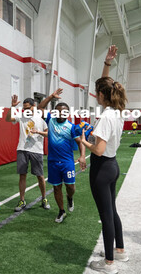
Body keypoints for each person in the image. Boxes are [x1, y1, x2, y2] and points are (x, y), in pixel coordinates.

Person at [80, 45, 128, 274]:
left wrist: (84, 141)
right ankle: (119, 250)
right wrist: (107, 64)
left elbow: (98, 150)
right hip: (113, 165)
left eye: (97, 93)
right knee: (112, 212)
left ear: (101, 96)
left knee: (106, 216)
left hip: (102, 167)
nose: (95, 94)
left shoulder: (107, 116)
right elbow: (105, 85)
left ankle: (109, 263)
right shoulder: (116, 111)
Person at [37, 89, 86, 223]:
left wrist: (82, 155)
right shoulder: (50, 120)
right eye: (58, 111)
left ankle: (70, 198)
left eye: (63, 111)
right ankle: (61, 211)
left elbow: (80, 142)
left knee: (70, 187)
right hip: (53, 162)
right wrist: (51, 96)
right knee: (56, 187)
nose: (60, 113)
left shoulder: (71, 127)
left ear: (67, 113)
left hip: (67, 163)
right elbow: (40, 107)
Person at [5, 96, 49, 212]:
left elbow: (47, 134)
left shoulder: (40, 119)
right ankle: (22, 200)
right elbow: (8, 119)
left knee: (40, 176)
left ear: (33, 107)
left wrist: (38, 132)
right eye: (24, 108)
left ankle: (44, 198)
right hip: (22, 149)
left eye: (28, 108)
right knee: (22, 175)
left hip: (37, 150)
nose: (26, 110)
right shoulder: (21, 116)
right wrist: (13, 106)